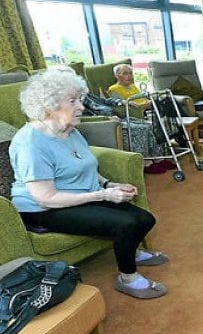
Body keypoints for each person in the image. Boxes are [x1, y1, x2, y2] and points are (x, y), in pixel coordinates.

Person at [9, 68, 169, 300]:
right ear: (49, 106)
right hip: (44, 210)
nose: (81, 107)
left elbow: (87, 165)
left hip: (80, 196)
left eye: (80, 100)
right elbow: (46, 197)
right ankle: (128, 278)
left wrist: (109, 184)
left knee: (145, 218)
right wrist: (104, 196)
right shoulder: (31, 144)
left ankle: (130, 251)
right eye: (72, 101)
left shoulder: (70, 130)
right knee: (126, 224)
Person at [109, 63, 203, 139]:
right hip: (140, 112)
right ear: (117, 76)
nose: (129, 76)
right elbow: (123, 107)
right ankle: (190, 131)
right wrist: (144, 105)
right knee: (169, 106)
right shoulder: (114, 89)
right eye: (125, 73)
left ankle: (184, 135)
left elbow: (144, 98)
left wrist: (149, 102)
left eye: (130, 73)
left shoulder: (132, 86)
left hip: (149, 107)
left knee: (170, 101)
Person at [82, 93, 176, 174]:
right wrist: (106, 119)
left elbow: (104, 101)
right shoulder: (76, 100)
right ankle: (145, 163)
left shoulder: (86, 95)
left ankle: (158, 158)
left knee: (148, 125)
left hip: (115, 119)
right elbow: (84, 117)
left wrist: (122, 102)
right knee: (140, 129)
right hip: (103, 124)